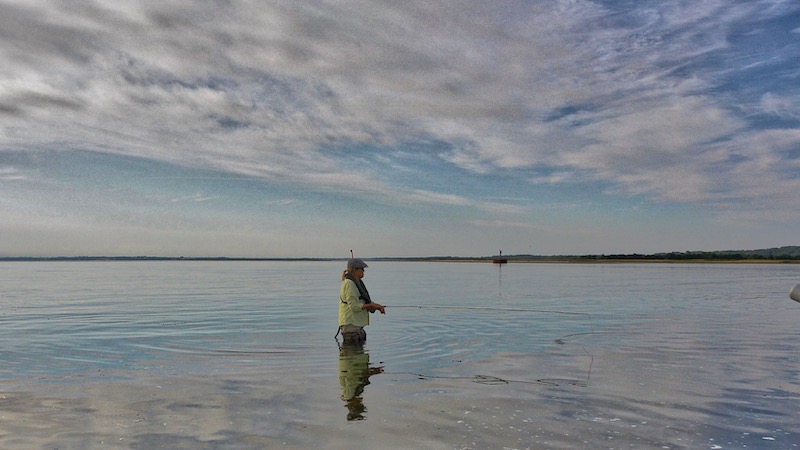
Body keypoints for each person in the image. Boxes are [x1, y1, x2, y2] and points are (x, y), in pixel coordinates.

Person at [338, 258, 385, 345]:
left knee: (360, 357)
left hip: (356, 327)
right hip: (351, 327)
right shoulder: (349, 284)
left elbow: (362, 300)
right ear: (354, 270)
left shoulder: (356, 283)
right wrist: (372, 306)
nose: (364, 271)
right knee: (353, 357)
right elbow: (354, 307)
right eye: (362, 269)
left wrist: (376, 306)